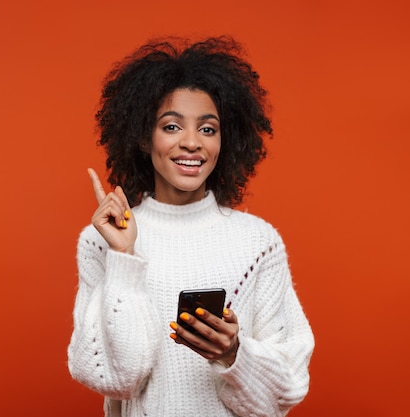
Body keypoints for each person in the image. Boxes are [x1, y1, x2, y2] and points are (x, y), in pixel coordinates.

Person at [67, 36, 314, 417]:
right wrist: (124, 257)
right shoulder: (103, 241)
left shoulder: (257, 242)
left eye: (208, 129)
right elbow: (119, 379)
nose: (191, 143)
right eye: (171, 126)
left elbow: (287, 390)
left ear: (224, 142)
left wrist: (234, 354)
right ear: (143, 138)